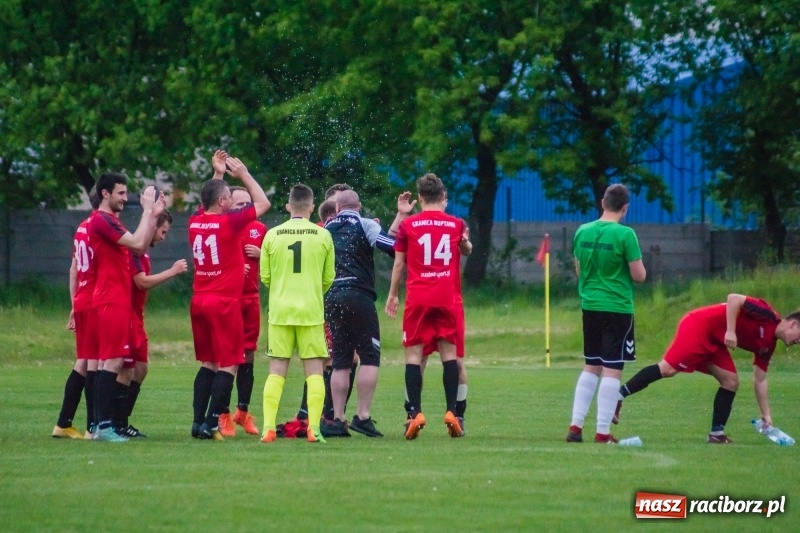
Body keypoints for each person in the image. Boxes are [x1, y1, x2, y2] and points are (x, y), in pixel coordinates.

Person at [617, 294, 800, 443]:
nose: (798, 342)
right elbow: (734, 299)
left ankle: (716, 434)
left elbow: (760, 379)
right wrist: (730, 330)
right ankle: (617, 396)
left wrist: (766, 415)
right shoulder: (767, 314)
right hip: (699, 325)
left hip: (715, 341)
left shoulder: (768, 346)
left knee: (731, 381)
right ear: (793, 324)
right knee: (668, 370)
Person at [189, 151, 271, 440]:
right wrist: (244, 174)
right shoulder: (229, 223)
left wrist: (219, 174)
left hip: (199, 300)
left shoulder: (195, 222)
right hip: (224, 302)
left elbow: (208, 199)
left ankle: (198, 423)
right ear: (224, 202)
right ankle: (213, 421)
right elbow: (263, 202)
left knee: (208, 363)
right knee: (230, 363)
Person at [385, 173, 469, 440]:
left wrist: (392, 295)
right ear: (442, 196)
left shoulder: (409, 226)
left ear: (420, 198)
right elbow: (466, 248)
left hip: (418, 298)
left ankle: (415, 414)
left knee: (413, 357)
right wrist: (465, 241)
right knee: (450, 357)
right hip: (447, 297)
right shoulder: (456, 223)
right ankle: (452, 413)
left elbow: (399, 263)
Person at [322, 189, 410, 438]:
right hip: (360, 296)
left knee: (340, 360)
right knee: (369, 357)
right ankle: (362, 416)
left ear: (337, 208)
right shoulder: (366, 224)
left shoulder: (326, 229)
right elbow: (392, 248)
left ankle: (337, 418)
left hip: (333, 297)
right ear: (359, 207)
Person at [89, 173, 166, 442]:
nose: (125, 197)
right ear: (105, 193)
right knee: (111, 361)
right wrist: (146, 211)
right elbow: (135, 243)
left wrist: (153, 215)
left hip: (118, 300)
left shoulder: (112, 221)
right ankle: (103, 426)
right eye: (120, 193)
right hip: (109, 299)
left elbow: (140, 246)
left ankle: (106, 425)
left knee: (117, 362)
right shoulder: (101, 220)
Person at [566, 183, 645, 444]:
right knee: (613, 368)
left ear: (603, 202)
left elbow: (579, 270)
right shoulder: (625, 235)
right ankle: (602, 432)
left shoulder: (582, 231)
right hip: (617, 307)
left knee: (591, 365)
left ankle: (575, 427)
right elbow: (639, 275)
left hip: (590, 305)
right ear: (625, 208)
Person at [259, 184, 335, 444]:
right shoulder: (322, 235)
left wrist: (282, 289)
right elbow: (328, 278)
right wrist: (311, 290)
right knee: (314, 371)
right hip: (311, 312)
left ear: (288, 206)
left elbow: (265, 277)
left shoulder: (272, 235)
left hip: (280, 311)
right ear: (312, 207)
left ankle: (268, 428)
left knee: (276, 370)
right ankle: (313, 429)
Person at [117, 210, 188, 437]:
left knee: (140, 369)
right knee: (125, 370)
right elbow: (141, 283)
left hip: (136, 318)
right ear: (153, 227)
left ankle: (121, 421)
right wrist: (173, 271)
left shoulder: (143, 254)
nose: (164, 237)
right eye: (163, 231)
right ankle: (112, 423)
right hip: (124, 317)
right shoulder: (133, 252)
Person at [410, 222, 472, 436]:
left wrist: (465, 244)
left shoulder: (454, 226)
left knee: (450, 359)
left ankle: (457, 415)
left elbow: (467, 248)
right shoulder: (437, 225)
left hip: (443, 300)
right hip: (443, 301)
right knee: (423, 358)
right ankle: (413, 414)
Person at [216, 186, 268, 437]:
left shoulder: (260, 229)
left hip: (251, 299)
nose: (245, 209)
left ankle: (242, 411)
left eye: (248, 204)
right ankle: (222, 415)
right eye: (239, 205)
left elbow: (274, 262)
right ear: (227, 206)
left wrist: (262, 254)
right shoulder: (223, 226)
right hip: (229, 299)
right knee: (228, 358)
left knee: (249, 355)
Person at [53, 188, 102, 439]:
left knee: (83, 362)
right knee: (92, 362)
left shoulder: (82, 227)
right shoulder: (100, 227)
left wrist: (74, 305)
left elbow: (73, 270)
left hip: (83, 298)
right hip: (95, 299)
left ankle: (63, 423)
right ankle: (92, 427)